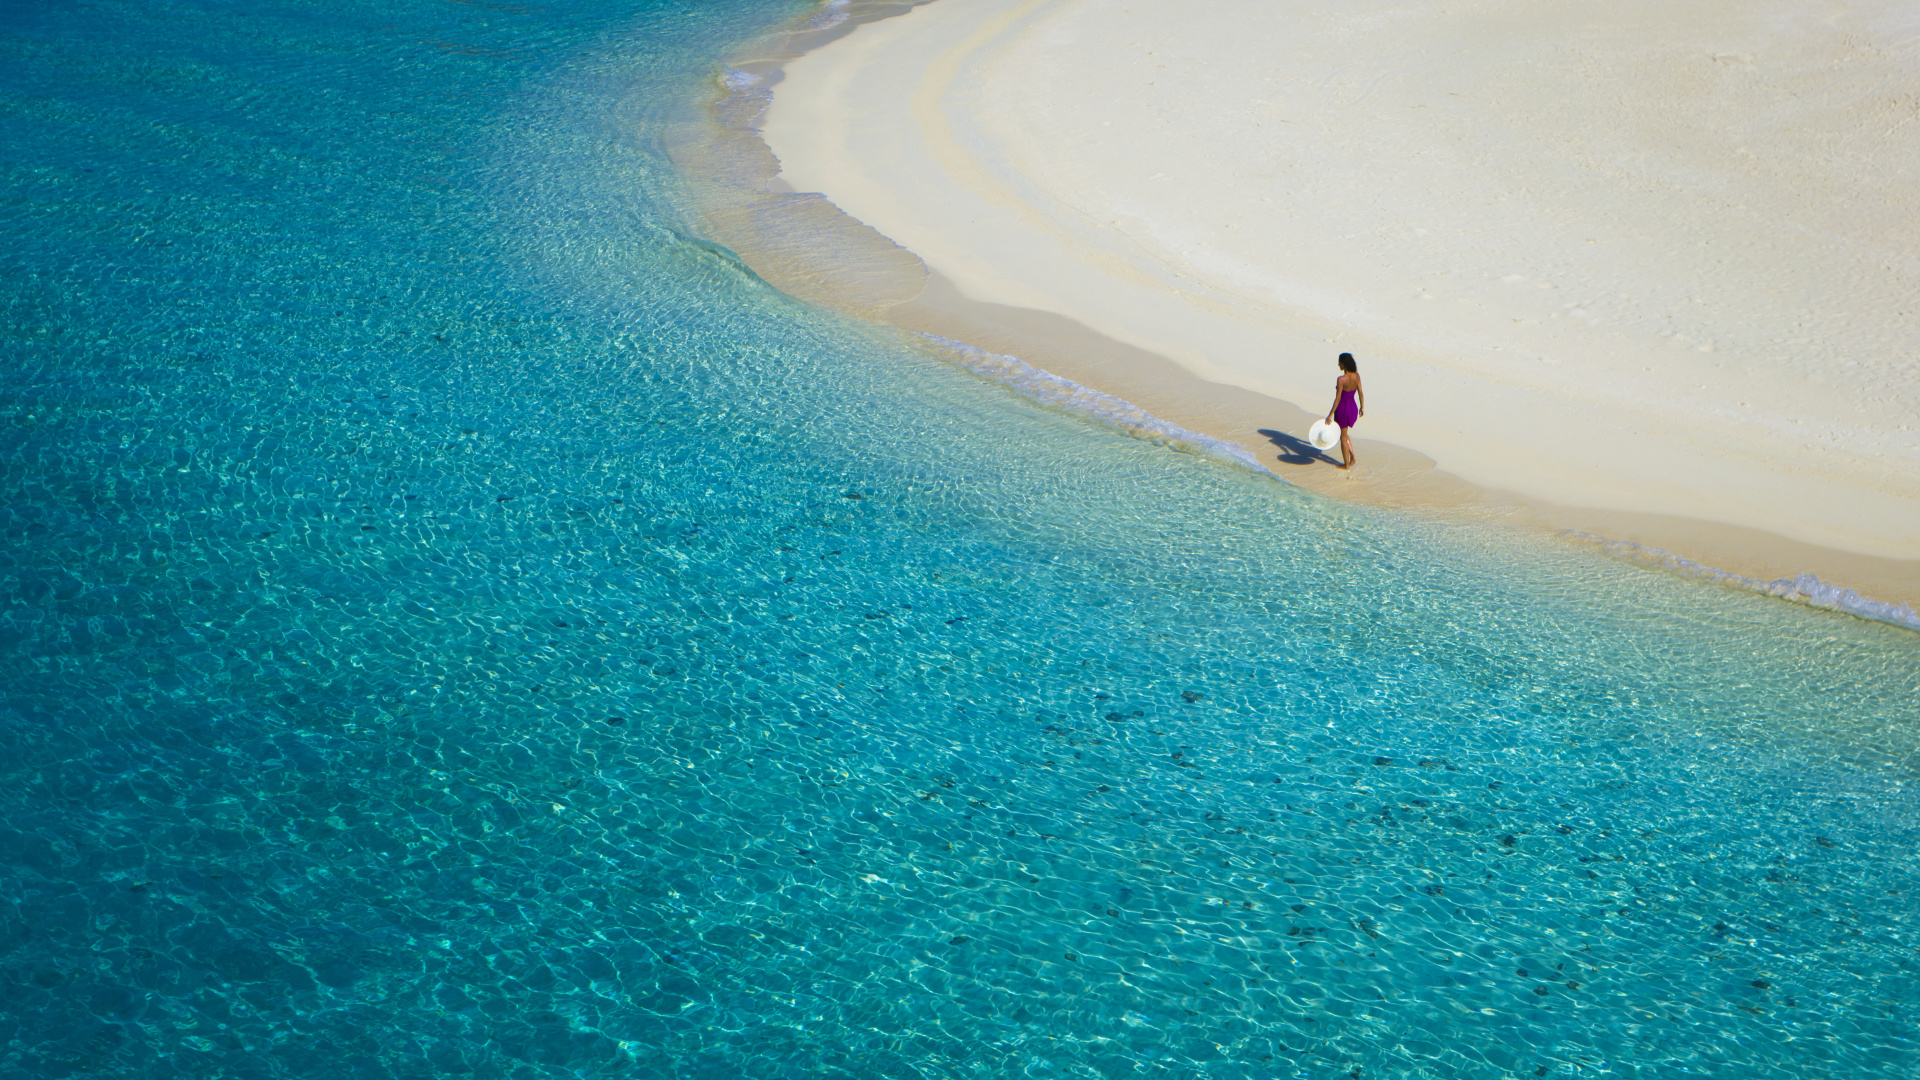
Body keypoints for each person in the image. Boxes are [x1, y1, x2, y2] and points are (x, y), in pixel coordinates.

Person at [1323, 352, 1364, 470]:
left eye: (1339, 362)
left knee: (1342, 437)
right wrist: (1362, 407)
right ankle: (1353, 456)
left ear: (1344, 364)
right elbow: (1361, 392)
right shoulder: (1357, 376)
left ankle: (1346, 465)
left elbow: (1338, 398)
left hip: (1343, 408)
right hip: (1353, 407)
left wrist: (1330, 415)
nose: (1338, 365)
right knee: (1345, 434)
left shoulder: (1341, 379)